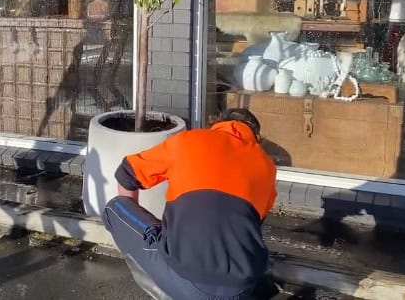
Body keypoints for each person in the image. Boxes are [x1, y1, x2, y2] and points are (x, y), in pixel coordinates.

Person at [104, 108, 277, 300]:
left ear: (217, 123)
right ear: (255, 136)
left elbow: (126, 174)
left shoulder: (188, 141)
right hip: (242, 289)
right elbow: (252, 226)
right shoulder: (266, 167)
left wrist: (144, 239)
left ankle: (160, 282)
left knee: (115, 207)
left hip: (188, 283)